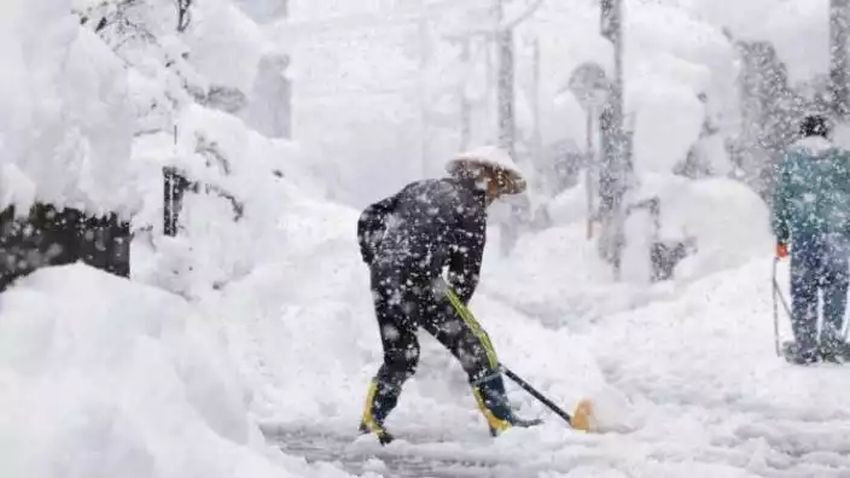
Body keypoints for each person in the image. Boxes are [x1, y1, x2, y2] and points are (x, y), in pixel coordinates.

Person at [356, 146, 539, 444]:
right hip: (421, 279)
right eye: (498, 186)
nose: (496, 195)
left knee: (400, 356)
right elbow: (465, 274)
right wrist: (455, 323)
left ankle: (371, 420)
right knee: (477, 345)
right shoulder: (470, 208)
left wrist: (376, 258)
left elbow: (369, 215)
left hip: (384, 278)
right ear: (486, 176)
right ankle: (502, 421)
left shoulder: (420, 188)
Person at [773, 114, 850, 364]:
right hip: (837, 233)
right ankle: (831, 344)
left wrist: (782, 235)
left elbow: (782, 197)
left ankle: (805, 347)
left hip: (806, 232)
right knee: (836, 288)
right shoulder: (842, 157)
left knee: (803, 289)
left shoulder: (792, 158)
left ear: (803, 132)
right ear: (826, 133)